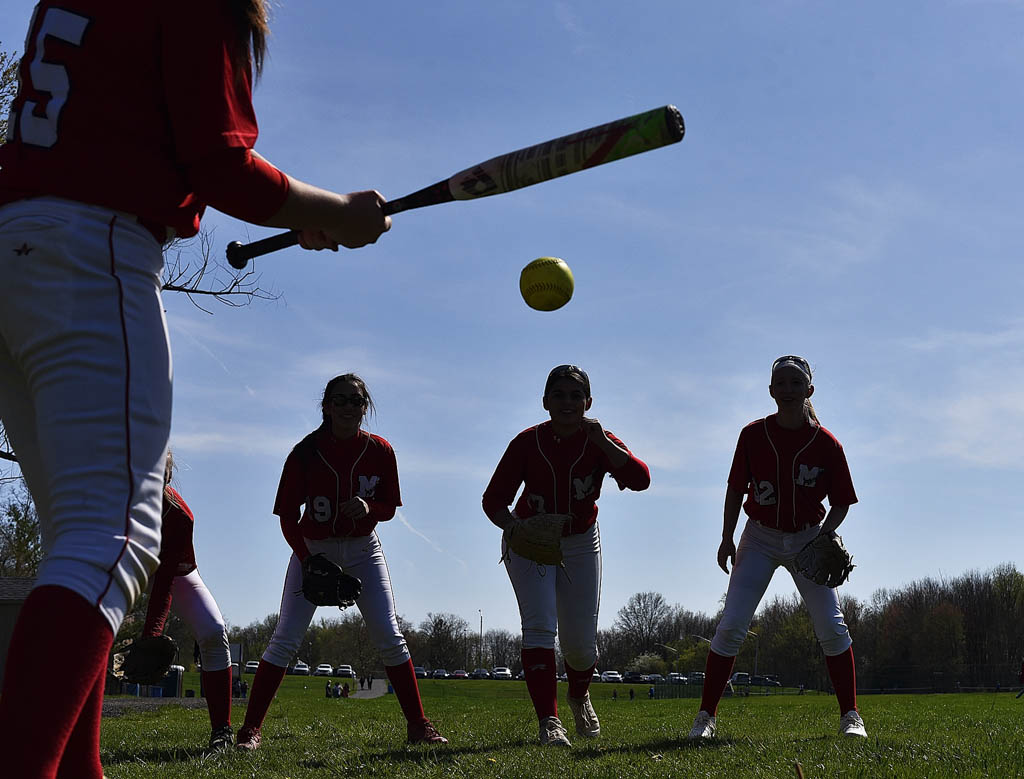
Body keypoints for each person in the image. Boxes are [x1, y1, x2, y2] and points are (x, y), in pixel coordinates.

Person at [0, 2, 390, 776]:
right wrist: (333, 211)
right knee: (110, 543)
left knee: (76, 540)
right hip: (92, 252)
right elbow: (218, 164)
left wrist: (299, 213)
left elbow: (126, 125)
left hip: (18, 246)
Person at [236, 374, 446, 749]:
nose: (350, 407)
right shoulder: (305, 452)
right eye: (342, 400)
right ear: (327, 407)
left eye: (357, 401)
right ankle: (251, 730)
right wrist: (307, 558)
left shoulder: (381, 450)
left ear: (365, 407)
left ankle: (418, 725)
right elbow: (287, 516)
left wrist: (370, 506)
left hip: (364, 548)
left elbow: (388, 508)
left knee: (389, 635)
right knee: (285, 639)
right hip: (314, 546)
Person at [687, 356, 866, 740]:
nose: (787, 389)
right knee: (732, 625)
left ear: (809, 391)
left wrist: (825, 536)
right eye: (780, 383)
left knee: (832, 628)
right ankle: (706, 718)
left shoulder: (827, 442)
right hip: (761, 537)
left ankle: (851, 716)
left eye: (795, 383)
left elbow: (843, 500)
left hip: (807, 537)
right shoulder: (752, 434)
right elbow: (736, 488)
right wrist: (726, 536)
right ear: (770, 390)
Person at [482, 364, 650, 746]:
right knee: (540, 626)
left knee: (580, 644)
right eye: (558, 394)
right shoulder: (527, 441)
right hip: (530, 540)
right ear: (545, 401)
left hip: (578, 540)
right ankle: (549, 723)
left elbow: (641, 480)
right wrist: (516, 529)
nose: (567, 402)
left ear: (589, 402)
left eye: (576, 395)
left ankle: (578, 694)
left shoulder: (599, 438)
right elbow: (493, 501)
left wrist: (605, 443)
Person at [138, 451, 235, 750]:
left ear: (169, 477)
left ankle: (222, 729)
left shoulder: (178, 515)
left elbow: (165, 579)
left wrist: (152, 633)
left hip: (172, 572)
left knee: (214, 633)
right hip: (124, 565)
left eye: (161, 475)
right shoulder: (112, 498)